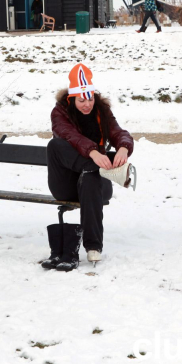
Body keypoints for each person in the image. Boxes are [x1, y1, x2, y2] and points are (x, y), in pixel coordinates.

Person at [44, 63, 137, 271]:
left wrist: (123, 147)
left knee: (90, 175)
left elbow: (118, 132)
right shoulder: (60, 113)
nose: (87, 104)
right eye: (81, 100)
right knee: (55, 145)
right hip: (65, 183)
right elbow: (70, 136)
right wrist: (94, 154)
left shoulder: (102, 111)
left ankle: (93, 246)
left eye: (91, 98)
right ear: (71, 98)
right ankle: (100, 167)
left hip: (94, 185)